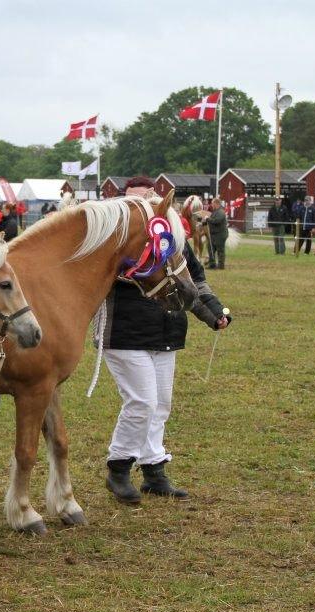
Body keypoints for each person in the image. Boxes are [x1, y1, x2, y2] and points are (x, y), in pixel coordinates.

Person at [102, 177, 231, 504]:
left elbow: (193, 280)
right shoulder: (113, 239)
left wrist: (213, 312)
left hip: (168, 330)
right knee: (141, 401)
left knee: (160, 404)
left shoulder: (172, 237)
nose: (138, 207)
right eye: (130, 201)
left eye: (144, 199)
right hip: (124, 332)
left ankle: (154, 470)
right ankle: (118, 467)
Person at [205, 197, 227, 268]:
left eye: (212, 203)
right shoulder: (214, 212)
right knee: (211, 249)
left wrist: (207, 219)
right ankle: (212, 264)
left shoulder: (221, 212)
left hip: (220, 234)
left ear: (216, 203)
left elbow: (216, 221)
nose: (211, 205)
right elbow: (210, 221)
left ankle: (221, 265)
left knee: (220, 250)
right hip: (213, 234)